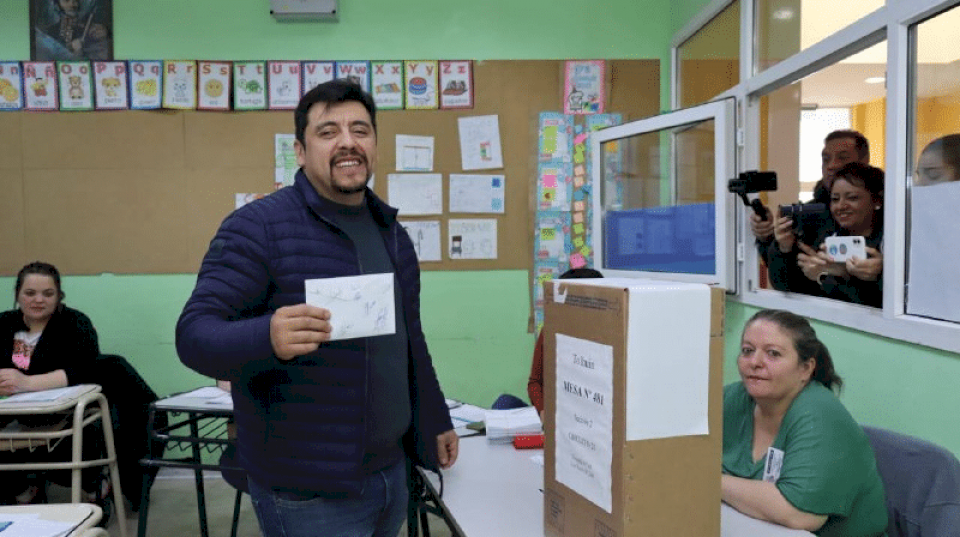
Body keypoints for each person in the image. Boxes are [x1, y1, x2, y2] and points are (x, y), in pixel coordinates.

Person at [176, 79, 457, 537]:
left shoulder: (391, 232)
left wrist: (434, 419)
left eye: (360, 130)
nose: (348, 141)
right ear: (301, 151)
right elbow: (193, 336)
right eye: (328, 132)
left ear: (374, 144)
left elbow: (409, 343)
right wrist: (266, 336)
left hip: (392, 475)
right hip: (306, 490)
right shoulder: (258, 227)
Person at [722, 309, 887, 536]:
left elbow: (799, 514)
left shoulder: (820, 416)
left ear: (805, 369)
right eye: (747, 351)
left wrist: (710, 481)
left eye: (773, 354)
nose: (755, 362)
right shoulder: (733, 399)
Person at [0, 261, 110, 509]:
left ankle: (93, 488)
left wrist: (27, 383)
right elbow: (20, 364)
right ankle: (23, 490)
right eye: (30, 293)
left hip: (67, 412)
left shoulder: (74, 323)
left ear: (59, 296)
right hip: (15, 413)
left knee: (86, 431)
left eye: (48, 294)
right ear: (17, 294)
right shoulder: (7, 324)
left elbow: (87, 369)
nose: (38, 300)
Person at [768, 162, 884, 307]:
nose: (841, 206)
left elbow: (878, 305)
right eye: (835, 199)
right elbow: (787, 287)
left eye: (852, 198)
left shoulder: (891, 242)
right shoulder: (827, 238)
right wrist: (784, 248)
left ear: (877, 200)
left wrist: (828, 276)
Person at [751, 129, 870, 247]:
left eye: (842, 158)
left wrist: (879, 265)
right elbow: (778, 264)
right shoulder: (806, 214)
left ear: (864, 162)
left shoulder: (885, 212)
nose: (831, 166)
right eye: (826, 159)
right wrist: (767, 236)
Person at [527, 267, 603, 417]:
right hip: (554, 416)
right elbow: (535, 382)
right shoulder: (551, 329)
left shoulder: (605, 337)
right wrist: (543, 410)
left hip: (586, 420)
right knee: (506, 402)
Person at [34, 0, 111, 61]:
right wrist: (71, 49)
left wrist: (107, 33)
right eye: (66, 0)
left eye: (76, 0)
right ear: (57, 5)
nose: (73, 4)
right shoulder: (49, 32)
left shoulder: (92, 30)